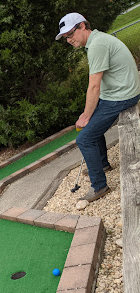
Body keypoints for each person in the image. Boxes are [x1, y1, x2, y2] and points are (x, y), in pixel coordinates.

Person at [55, 12, 140, 202]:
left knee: (84, 139)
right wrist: (89, 113)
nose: (68, 39)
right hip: (118, 93)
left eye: (70, 34)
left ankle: (99, 186)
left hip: (122, 96)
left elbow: (94, 86)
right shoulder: (96, 41)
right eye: (65, 37)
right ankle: (102, 164)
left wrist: (86, 116)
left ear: (83, 26)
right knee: (92, 123)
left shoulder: (97, 46)